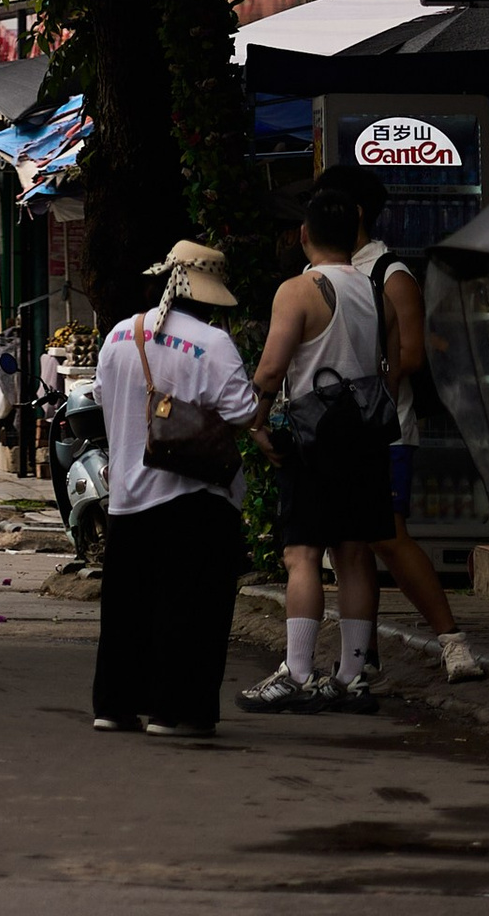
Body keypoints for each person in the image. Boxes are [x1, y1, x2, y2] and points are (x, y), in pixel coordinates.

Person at [89, 238, 261, 740]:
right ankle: (174, 712)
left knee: (126, 608)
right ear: (209, 293)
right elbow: (244, 413)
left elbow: (101, 396)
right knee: (190, 608)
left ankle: (114, 706)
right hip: (194, 496)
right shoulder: (213, 343)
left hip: (126, 495)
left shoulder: (121, 333)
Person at [241, 183, 397, 714]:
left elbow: (270, 369)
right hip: (366, 437)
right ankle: (352, 676)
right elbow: (390, 366)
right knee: (355, 555)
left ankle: (298, 671)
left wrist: (256, 422)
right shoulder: (379, 290)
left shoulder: (298, 290)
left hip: (315, 438)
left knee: (302, 554)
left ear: (304, 234)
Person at [340, 165, 486, 687]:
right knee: (353, 544)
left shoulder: (389, 273)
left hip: (385, 430)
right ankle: (361, 655)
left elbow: (413, 355)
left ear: (352, 213)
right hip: (343, 432)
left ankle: (452, 640)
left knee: (388, 536)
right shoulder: (334, 271)